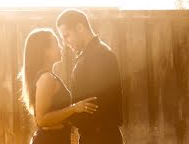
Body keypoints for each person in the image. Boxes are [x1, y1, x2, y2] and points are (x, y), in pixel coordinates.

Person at [56, 9, 125, 144]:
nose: (65, 43)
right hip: (95, 136)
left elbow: (95, 105)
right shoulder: (88, 55)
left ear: (80, 28)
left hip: (101, 137)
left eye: (66, 36)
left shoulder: (100, 55)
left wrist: (63, 115)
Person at [19, 28, 98, 143]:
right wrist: (75, 108)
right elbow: (41, 120)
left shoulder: (49, 76)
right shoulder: (46, 78)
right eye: (56, 44)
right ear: (45, 51)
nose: (61, 47)